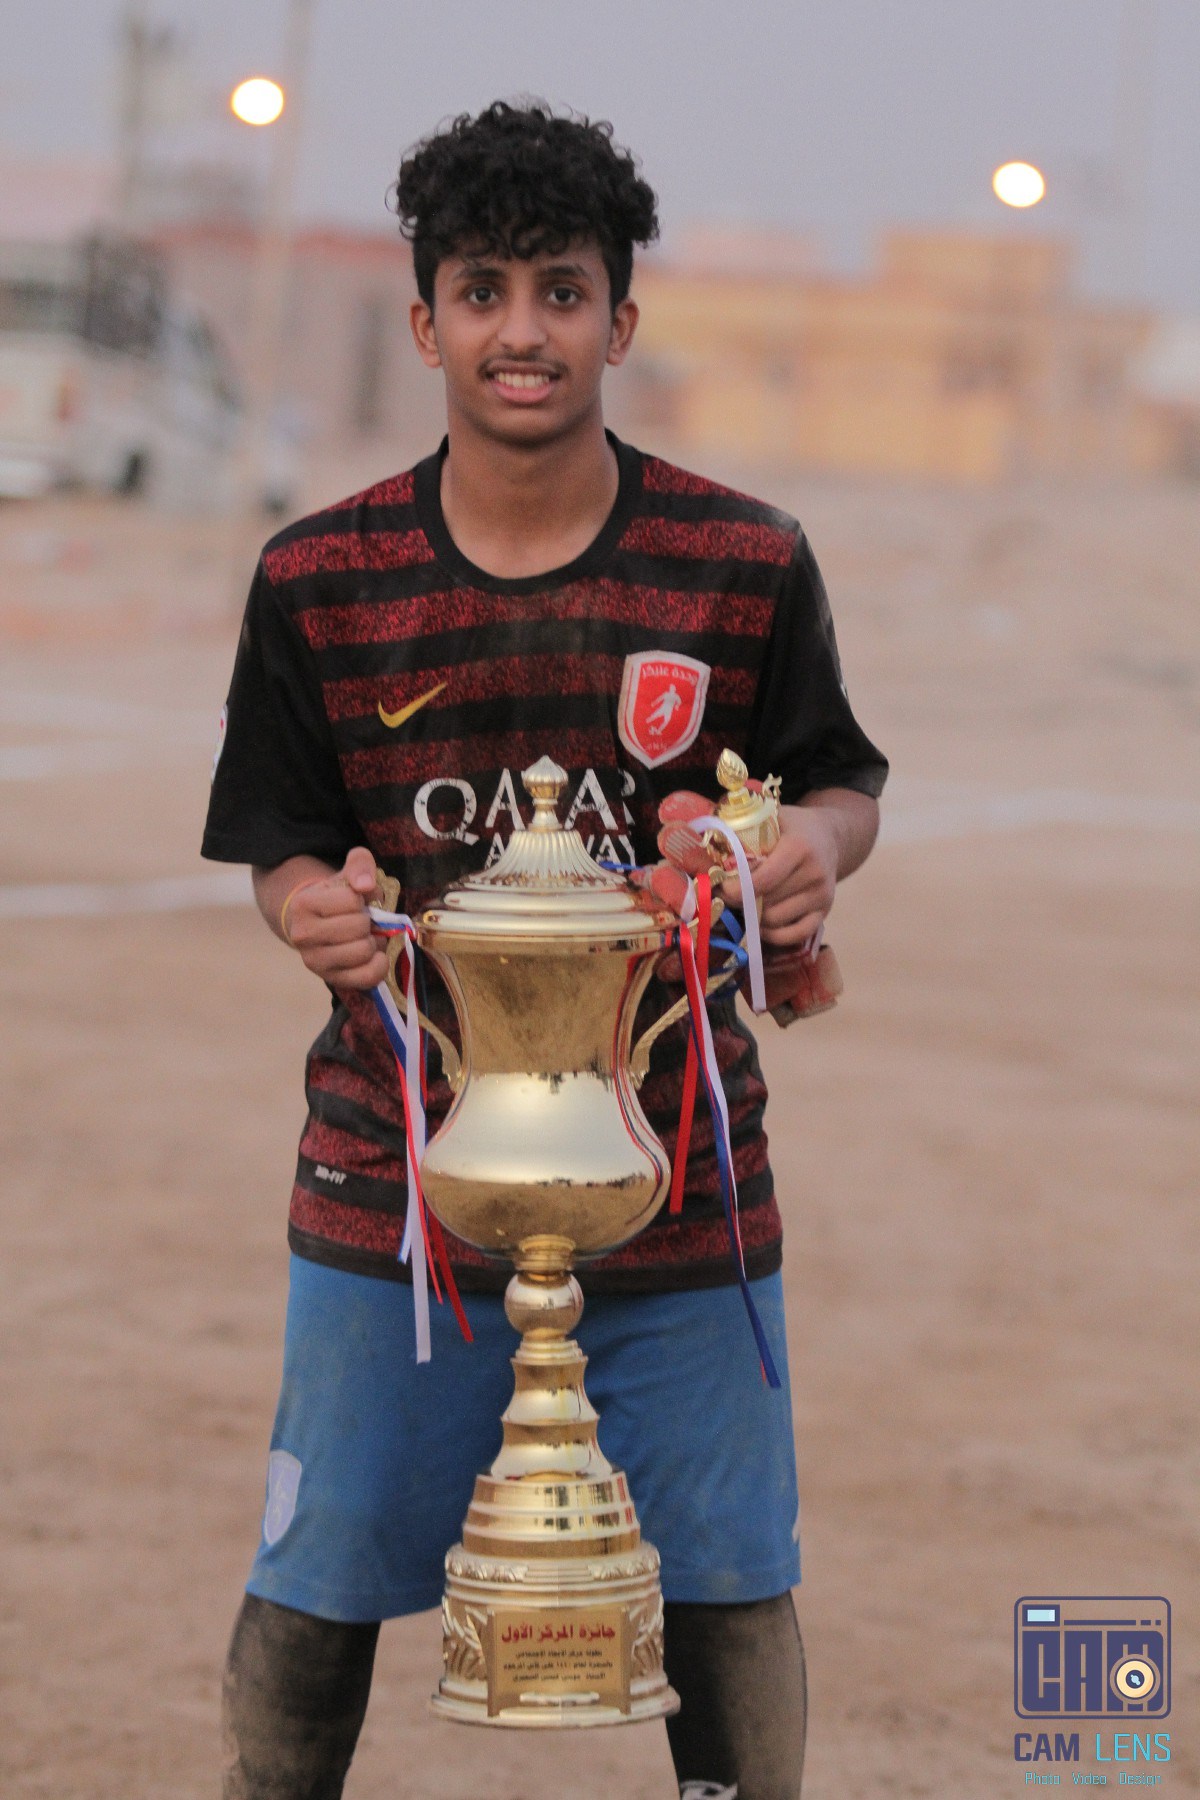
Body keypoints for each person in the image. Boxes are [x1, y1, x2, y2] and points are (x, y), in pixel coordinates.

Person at [202, 100, 887, 1800]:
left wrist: (808, 855)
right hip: (396, 1188)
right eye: (486, 291)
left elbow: (835, 783)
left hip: (679, 1172)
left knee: (728, 1587)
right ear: (425, 319)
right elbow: (285, 842)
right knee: (318, 1582)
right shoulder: (319, 578)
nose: (525, 331)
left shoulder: (742, 562)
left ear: (621, 322)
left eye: (563, 292)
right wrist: (303, 908)